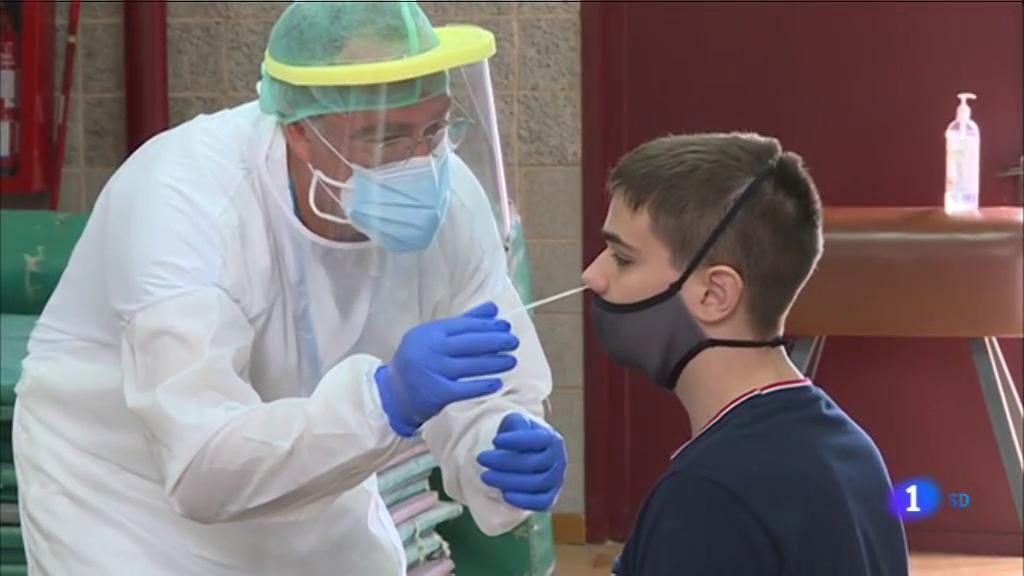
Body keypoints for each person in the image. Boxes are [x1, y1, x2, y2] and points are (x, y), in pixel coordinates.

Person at [12, 2, 566, 574]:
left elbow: (491, 381)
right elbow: (201, 465)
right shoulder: (184, 202)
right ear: (300, 131)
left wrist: (500, 444)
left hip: (312, 459)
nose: (421, 163)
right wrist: (384, 401)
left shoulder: (449, 201)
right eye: (386, 137)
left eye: (435, 128)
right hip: (127, 497)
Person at [583, 133, 909, 575]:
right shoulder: (852, 449)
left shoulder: (708, 496)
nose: (592, 275)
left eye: (623, 258)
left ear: (715, 294)